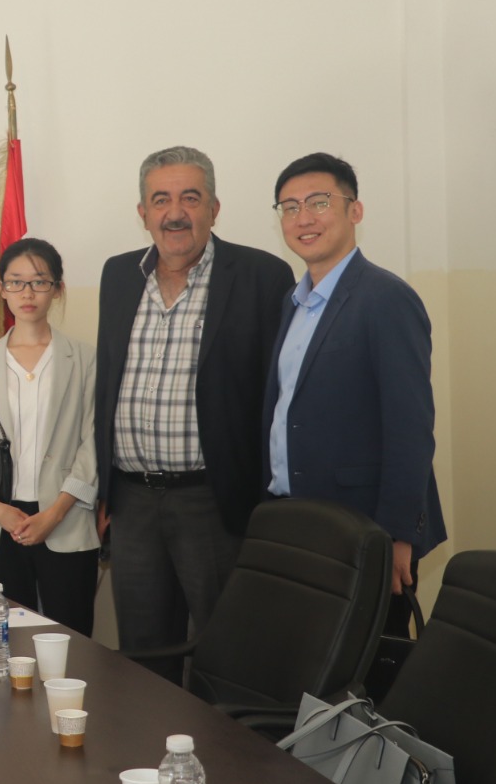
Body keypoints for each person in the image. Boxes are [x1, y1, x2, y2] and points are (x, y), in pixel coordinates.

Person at [94, 146, 294, 678]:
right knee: (144, 658)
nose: (175, 213)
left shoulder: (262, 276)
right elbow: (107, 383)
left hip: (215, 503)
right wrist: (104, 490)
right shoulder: (119, 276)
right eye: (161, 200)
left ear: (214, 208)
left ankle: (222, 737)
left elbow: (279, 396)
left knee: (225, 653)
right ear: (143, 213)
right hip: (133, 503)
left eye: (190, 197)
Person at [264, 152, 444, 634]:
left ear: (355, 211)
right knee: (307, 657)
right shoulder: (293, 302)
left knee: (366, 664)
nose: (303, 218)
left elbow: (410, 427)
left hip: (364, 528)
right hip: (298, 517)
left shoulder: (386, 298)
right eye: (290, 207)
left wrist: (398, 535)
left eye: (319, 202)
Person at [0, 238, 100, 634]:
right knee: (7, 641)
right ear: (2, 289)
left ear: (57, 288)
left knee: (70, 638)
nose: (27, 293)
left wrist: (56, 512)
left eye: (39, 281)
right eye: (16, 282)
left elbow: (94, 442)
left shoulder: (85, 359)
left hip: (66, 520)